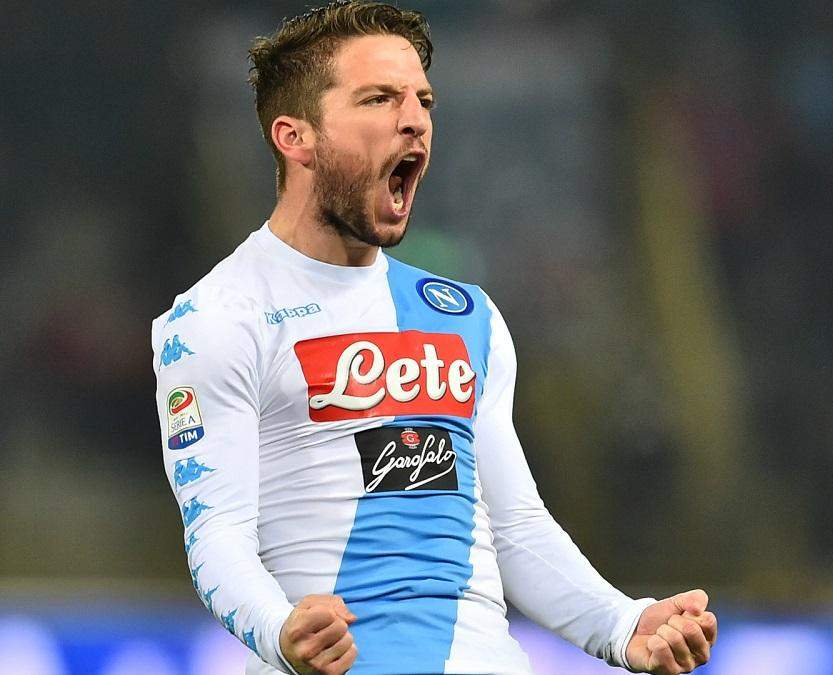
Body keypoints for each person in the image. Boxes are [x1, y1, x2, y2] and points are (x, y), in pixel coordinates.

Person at [151, 2, 718, 674]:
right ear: (295, 138)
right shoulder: (216, 318)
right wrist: (279, 632)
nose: (414, 119)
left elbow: (515, 524)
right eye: (378, 99)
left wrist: (621, 623)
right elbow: (216, 532)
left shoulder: (465, 315)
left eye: (423, 100)